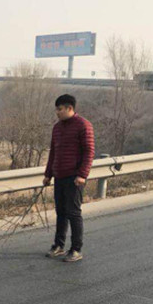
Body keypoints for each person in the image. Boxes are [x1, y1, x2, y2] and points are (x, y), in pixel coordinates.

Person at [42, 94, 95, 262]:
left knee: (73, 212)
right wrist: (48, 174)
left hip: (74, 177)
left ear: (70, 108)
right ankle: (59, 245)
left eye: (60, 109)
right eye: (56, 109)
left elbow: (89, 152)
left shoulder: (83, 125)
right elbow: (53, 152)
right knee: (61, 212)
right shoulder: (57, 128)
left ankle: (76, 249)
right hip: (59, 175)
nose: (57, 112)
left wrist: (82, 175)